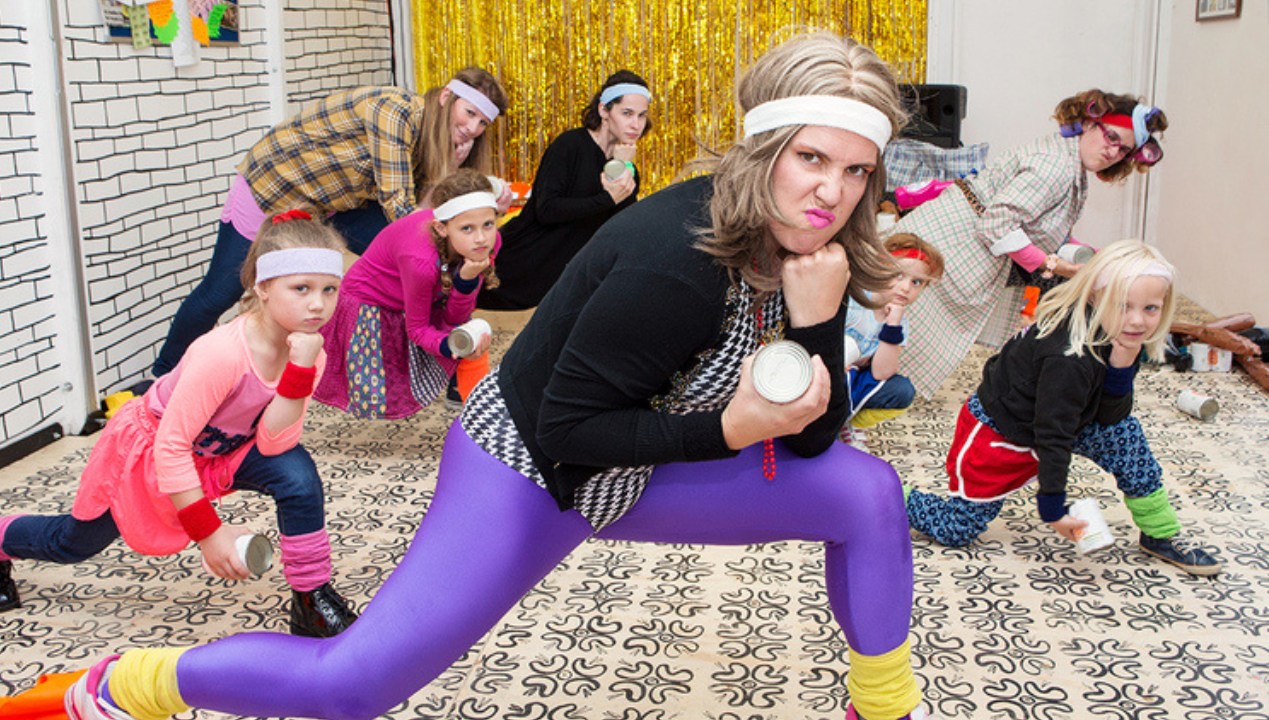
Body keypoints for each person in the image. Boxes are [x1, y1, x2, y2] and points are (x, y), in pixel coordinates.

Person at [50, 33, 937, 720]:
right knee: (356, 684)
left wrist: (817, 323)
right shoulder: (676, 262)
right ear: (763, 152)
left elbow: (818, 434)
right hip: (530, 471)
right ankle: (121, 684)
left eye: (856, 171)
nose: (831, 192)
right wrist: (731, 432)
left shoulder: (806, 248)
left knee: (863, 493)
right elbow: (570, 434)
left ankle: (884, 706)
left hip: (644, 459)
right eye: (811, 159)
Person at [0, 211, 362, 636]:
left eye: (329, 289)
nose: (318, 303)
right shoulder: (221, 353)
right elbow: (171, 446)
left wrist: (298, 371)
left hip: (225, 451)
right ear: (263, 287)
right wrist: (210, 534)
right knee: (73, 542)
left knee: (296, 473)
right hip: (151, 450)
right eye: (301, 288)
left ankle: (312, 596)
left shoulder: (310, 353)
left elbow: (275, 442)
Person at [149, 70, 511, 378]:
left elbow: (428, 212)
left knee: (432, 260)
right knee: (220, 291)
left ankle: (439, 361)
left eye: (483, 123)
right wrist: (446, 178)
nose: (473, 128)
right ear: (446, 96)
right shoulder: (395, 112)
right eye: (470, 113)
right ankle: (163, 375)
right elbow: (402, 208)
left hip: (334, 204)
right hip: (272, 185)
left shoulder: (438, 137)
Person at [905, 239, 1220, 577]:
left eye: (1150, 309)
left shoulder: (1122, 336)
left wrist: (1122, 365)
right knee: (956, 529)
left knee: (1124, 436)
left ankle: (1160, 532)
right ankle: (888, 495)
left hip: (1069, 415)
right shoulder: (1068, 356)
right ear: (1096, 296)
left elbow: (1111, 415)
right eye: (1123, 305)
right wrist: (1053, 509)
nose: (1137, 321)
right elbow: (1053, 435)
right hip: (1004, 429)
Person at [893, 90, 1168, 397]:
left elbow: (1042, 225)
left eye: (1123, 151)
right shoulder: (1056, 167)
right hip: (947, 242)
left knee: (898, 325)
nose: (1112, 151)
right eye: (1111, 137)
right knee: (890, 321)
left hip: (947, 236)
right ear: (1089, 123)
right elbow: (997, 223)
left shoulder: (1067, 160)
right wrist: (1049, 263)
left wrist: (1090, 256)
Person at [312, 169, 500, 419]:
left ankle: (481, 419)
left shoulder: (490, 242)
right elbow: (417, 330)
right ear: (441, 228)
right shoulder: (420, 261)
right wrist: (450, 347)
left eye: (488, 224)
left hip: (423, 296)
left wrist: (466, 281)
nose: (480, 238)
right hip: (371, 304)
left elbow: (457, 316)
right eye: (467, 229)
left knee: (472, 337)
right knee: (381, 388)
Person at [475, 70, 650, 312]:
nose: (636, 124)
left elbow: (621, 229)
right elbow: (546, 210)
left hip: (566, 281)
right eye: (627, 113)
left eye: (642, 116)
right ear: (604, 111)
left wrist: (621, 167)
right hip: (522, 267)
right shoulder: (570, 145)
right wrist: (606, 198)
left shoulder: (627, 169)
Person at [839, 233, 944, 451]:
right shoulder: (856, 299)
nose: (905, 288)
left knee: (902, 390)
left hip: (857, 379)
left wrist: (892, 326)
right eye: (898, 276)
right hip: (831, 372)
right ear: (880, 269)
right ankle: (829, 424)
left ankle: (850, 423)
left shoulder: (900, 323)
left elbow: (881, 373)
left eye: (916, 282)